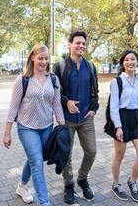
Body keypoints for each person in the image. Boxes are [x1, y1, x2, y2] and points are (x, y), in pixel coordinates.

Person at [3, 43, 65, 206]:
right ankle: (44, 202)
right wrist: (7, 132)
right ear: (32, 57)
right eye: (40, 58)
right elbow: (13, 106)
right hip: (26, 127)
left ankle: (22, 186)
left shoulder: (53, 79)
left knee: (35, 158)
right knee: (37, 163)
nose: (44, 62)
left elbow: (57, 105)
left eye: (46, 58)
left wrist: (62, 127)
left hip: (46, 127)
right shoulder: (22, 80)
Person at [53, 31, 99, 204]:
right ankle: (69, 184)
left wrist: (94, 108)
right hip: (66, 119)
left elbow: (95, 90)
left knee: (92, 151)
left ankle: (82, 178)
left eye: (83, 44)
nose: (81, 46)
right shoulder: (60, 66)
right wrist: (66, 102)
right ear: (70, 44)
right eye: (78, 43)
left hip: (86, 117)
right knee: (66, 153)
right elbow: (55, 91)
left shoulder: (91, 66)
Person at [104, 50, 138, 202]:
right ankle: (116, 184)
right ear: (123, 63)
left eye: (133, 59)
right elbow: (114, 106)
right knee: (120, 155)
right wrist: (118, 126)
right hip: (122, 119)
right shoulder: (117, 81)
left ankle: (132, 181)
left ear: (137, 62)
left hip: (136, 120)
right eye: (127, 60)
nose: (130, 62)